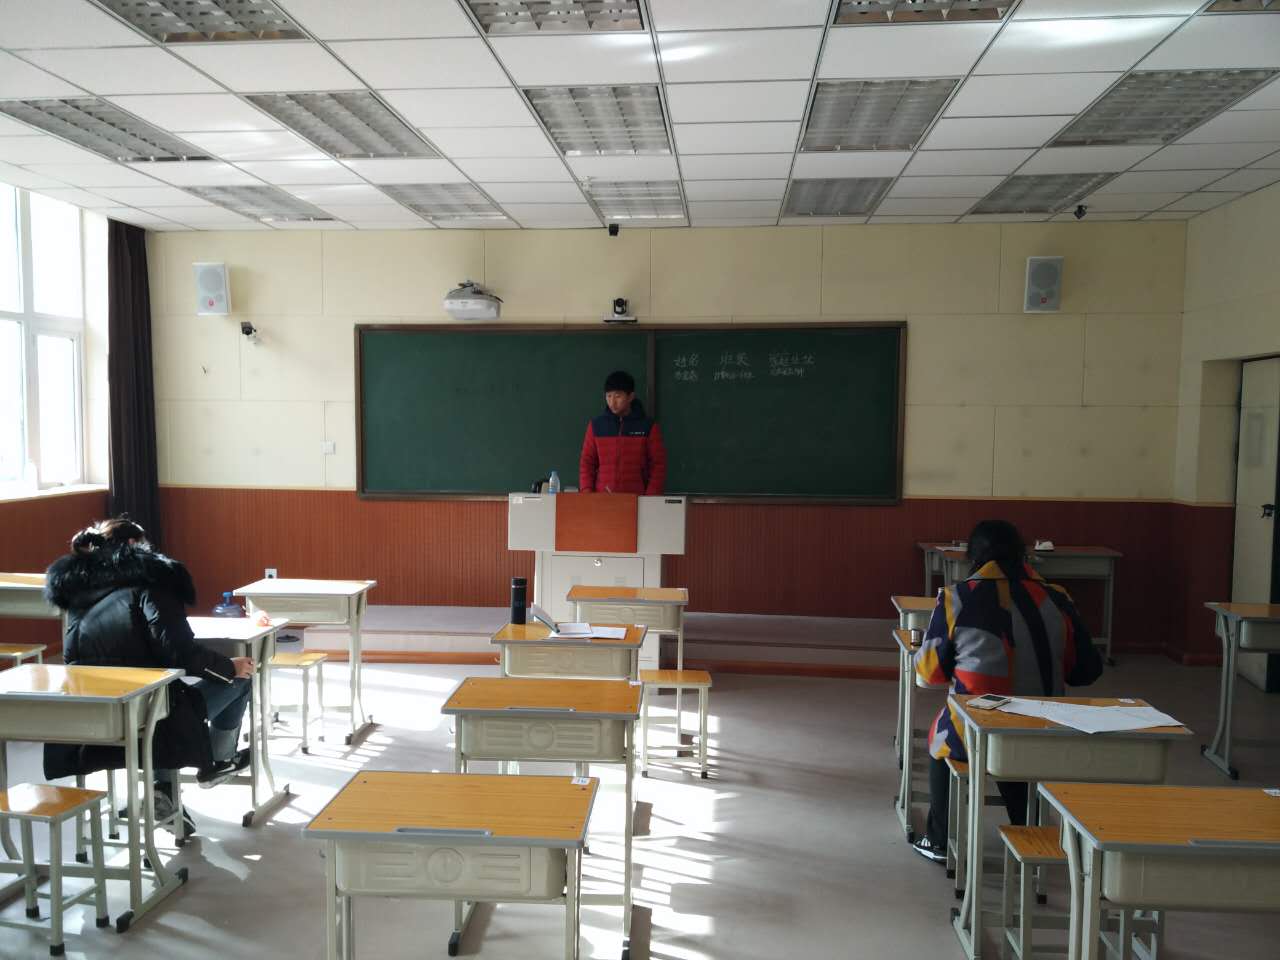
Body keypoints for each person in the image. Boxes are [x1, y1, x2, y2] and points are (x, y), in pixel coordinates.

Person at [909, 520, 1103, 863]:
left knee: (944, 731)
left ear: (973, 559)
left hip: (979, 734)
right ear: (1022, 555)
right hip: (1046, 730)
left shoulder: (957, 598)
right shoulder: (1058, 598)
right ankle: (1031, 834)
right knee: (1019, 735)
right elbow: (1086, 671)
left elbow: (929, 673)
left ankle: (938, 840)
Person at [43, 518, 254, 824]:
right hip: (146, 714)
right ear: (133, 545)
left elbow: (71, 657)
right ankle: (219, 761)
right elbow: (178, 651)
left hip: (95, 716)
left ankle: (163, 790)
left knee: (163, 695)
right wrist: (228, 666)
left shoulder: (77, 591)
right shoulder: (152, 582)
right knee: (235, 680)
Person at [579, 370, 667, 494]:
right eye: (608, 396)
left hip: (637, 499)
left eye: (617, 396)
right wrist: (587, 492)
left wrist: (650, 497)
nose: (612, 402)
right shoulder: (596, 426)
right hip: (602, 498)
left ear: (630, 397)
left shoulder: (648, 427)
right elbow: (587, 462)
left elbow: (658, 465)